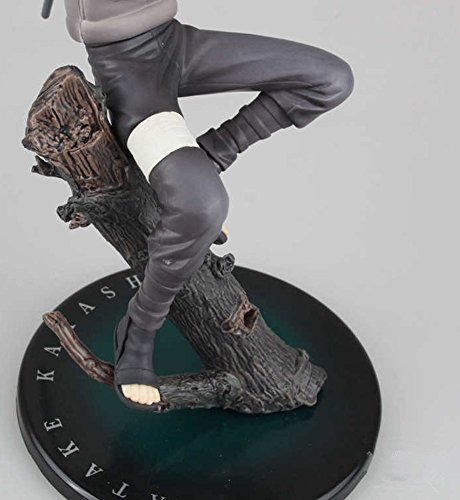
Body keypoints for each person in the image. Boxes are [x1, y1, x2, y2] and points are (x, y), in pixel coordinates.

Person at [60, 0, 355, 410]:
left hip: (174, 41)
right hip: (129, 71)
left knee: (330, 79)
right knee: (203, 205)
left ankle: (210, 157)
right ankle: (138, 329)